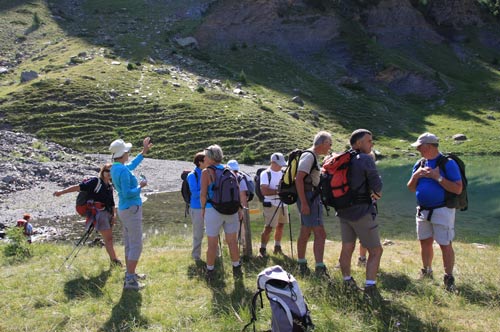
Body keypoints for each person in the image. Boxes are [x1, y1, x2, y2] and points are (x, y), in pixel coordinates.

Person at [407, 132, 462, 292]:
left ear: (429, 146)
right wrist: (416, 176)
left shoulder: (448, 164)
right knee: (424, 242)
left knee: (445, 244)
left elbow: (458, 189)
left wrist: (438, 178)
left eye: (419, 146)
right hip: (422, 211)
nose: (417, 149)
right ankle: (427, 271)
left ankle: (449, 278)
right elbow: (410, 188)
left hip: (442, 210)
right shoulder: (419, 163)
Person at [336, 129, 383, 299]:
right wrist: (375, 195)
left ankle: (347, 281)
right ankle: (370, 289)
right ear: (358, 143)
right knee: (376, 250)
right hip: (362, 211)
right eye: (369, 141)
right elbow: (377, 187)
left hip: (343, 210)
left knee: (347, 247)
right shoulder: (365, 159)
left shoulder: (342, 158)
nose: (372, 144)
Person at [54, 164, 121, 266]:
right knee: (108, 238)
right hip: (100, 214)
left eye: (112, 172)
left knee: (109, 238)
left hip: (107, 213)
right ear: (103, 172)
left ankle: (114, 260)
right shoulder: (95, 182)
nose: (110, 173)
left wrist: (114, 215)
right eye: (107, 171)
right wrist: (61, 192)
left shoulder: (109, 186)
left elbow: (112, 202)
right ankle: (114, 261)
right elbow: (79, 187)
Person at [109, 137, 152, 290]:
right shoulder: (122, 170)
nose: (129, 153)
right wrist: (141, 186)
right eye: (128, 151)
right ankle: (130, 280)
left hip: (124, 209)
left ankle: (131, 274)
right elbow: (128, 193)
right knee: (136, 245)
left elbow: (132, 165)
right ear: (124, 153)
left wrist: (143, 152)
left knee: (129, 243)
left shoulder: (116, 167)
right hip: (131, 208)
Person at [200, 145, 242, 280]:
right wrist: (239, 209)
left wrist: (202, 209)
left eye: (206, 155)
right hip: (231, 210)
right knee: (232, 242)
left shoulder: (206, 172)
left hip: (213, 209)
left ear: (211, 157)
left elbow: (203, 194)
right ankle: (236, 268)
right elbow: (237, 191)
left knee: (212, 243)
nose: (204, 157)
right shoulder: (229, 170)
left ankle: (210, 271)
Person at [296, 131, 332, 276]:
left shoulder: (312, 156)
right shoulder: (309, 156)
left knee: (306, 230)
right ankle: (319, 268)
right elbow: (299, 179)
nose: (330, 147)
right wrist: (304, 203)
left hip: (310, 197)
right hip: (309, 198)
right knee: (320, 233)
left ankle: (302, 264)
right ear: (323, 143)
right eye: (329, 144)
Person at [258, 152, 288, 257]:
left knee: (281, 225)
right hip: (271, 203)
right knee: (269, 227)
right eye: (279, 164)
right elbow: (264, 191)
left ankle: (277, 247)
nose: (281, 166)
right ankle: (262, 249)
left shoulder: (284, 173)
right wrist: (280, 191)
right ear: (273, 162)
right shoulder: (265, 174)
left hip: (283, 203)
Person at [227, 159, 250, 256]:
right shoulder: (241, 178)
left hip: (231, 208)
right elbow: (243, 196)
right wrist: (244, 210)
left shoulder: (230, 178)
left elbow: (242, 196)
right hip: (238, 208)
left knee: (233, 230)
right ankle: (242, 250)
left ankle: (236, 251)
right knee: (240, 230)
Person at [187, 152, 207, 262]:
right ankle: (196, 256)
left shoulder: (208, 173)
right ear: (200, 162)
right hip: (197, 208)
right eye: (206, 160)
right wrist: (207, 190)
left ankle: (215, 255)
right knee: (198, 233)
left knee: (213, 232)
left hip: (208, 207)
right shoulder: (192, 175)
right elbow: (194, 193)